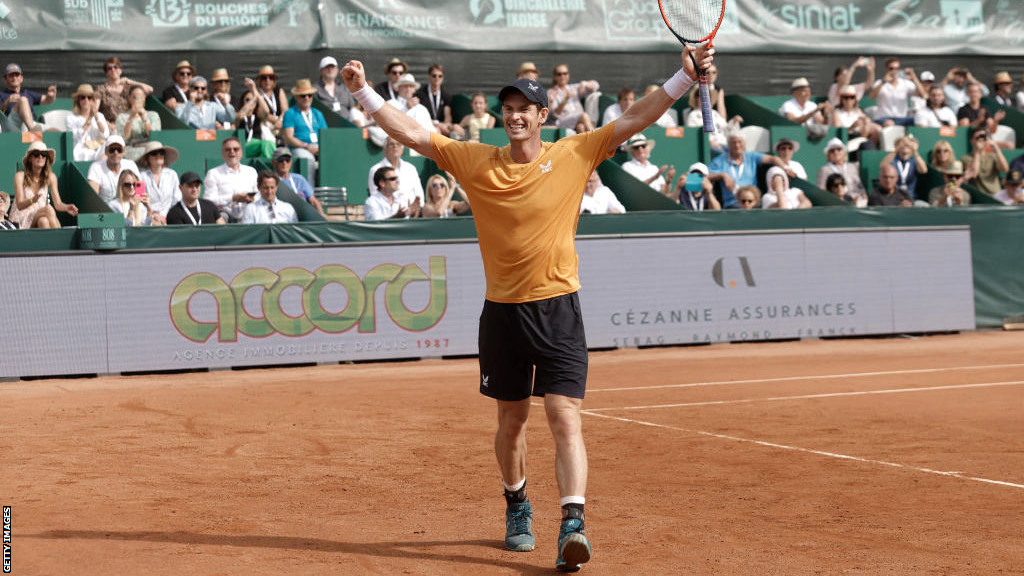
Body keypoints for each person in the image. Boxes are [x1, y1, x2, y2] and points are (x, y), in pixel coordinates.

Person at [341, 41, 713, 573]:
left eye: (525, 108)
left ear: (543, 116)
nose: (514, 116)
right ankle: (517, 505)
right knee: (512, 421)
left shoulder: (575, 152)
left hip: (559, 310)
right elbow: (414, 133)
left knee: (564, 418)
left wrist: (681, 79)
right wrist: (362, 92)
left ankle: (573, 525)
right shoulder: (475, 160)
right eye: (508, 108)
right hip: (503, 313)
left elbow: (635, 117)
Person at [708, 130, 793, 209]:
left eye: (740, 142)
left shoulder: (751, 156)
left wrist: (785, 168)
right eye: (734, 143)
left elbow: (773, 159)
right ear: (729, 145)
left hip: (753, 204)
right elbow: (706, 175)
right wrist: (722, 175)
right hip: (732, 205)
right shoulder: (720, 160)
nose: (737, 145)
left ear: (744, 144)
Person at [11, 141, 78, 228]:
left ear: (46, 158)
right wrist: (32, 200)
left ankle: (52, 240)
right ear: (30, 158)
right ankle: (60, 237)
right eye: (36, 154)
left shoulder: (51, 177)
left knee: (44, 221)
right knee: (48, 209)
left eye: (44, 154)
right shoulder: (20, 176)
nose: (40, 157)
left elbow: (58, 204)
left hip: (40, 215)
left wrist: (67, 207)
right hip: (20, 218)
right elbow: (20, 205)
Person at [282, 78, 328, 185]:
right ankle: (310, 194)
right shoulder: (290, 113)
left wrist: (321, 148)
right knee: (307, 158)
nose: (306, 98)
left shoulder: (318, 114)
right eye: (303, 96)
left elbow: (325, 135)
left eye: (309, 95)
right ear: (297, 97)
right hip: (299, 147)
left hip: (318, 147)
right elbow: (289, 138)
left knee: (332, 155)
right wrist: (307, 146)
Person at [203, 136, 257, 222]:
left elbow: (259, 195)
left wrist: (250, 198)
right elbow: (208, 201)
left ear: (241, 152)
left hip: (249, 214)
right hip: (225, 216)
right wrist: (232, 198)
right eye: (228, 149)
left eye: (236, 149)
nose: (232, 152)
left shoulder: (251, 171)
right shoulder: (213, 173)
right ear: (223, 153)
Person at [867, 57, 925, 126]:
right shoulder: (879, 83)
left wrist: (914, 77)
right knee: (889, 124)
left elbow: (923, 95)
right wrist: (883, 81)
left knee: (921, 121)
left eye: (897, 69)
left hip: (902, 119)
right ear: (886, 69)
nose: (894, 71)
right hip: (883, 118)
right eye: (891, 68)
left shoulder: (905, 83)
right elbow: (871, 97)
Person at [366, 136, 424, 203]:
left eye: (398, 144)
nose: (395, 146)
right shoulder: (375, 169)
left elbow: (419, 194)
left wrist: (418, 210)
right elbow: (375, 197)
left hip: (412, 211)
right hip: (387, 212)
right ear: (384, 150)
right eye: (391, 144)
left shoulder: (411, 168)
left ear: (402, 150)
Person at [95, 56, 153, 123]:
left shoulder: (128, 87)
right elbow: (95, 110)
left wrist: (130, 81)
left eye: (116, 67)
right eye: (109, 68)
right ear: (106, 73)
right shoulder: (101, 89)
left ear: (120, 70)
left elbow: (150, 89)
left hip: (129, 122)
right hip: (110, 125)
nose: (113, 70)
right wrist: (107, 123)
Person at [0, 63, 55, 131]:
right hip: (11, 127)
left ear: (21, 78)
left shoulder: (28, 93)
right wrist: (6, 102)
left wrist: (51, 96)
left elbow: (47, 100)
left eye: (17, 75)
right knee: (23, 100)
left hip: (29, 125)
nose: (14, 78)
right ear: (5, 79)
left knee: (55, 130)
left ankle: (33, 130)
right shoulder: (2, 95)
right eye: (11, 75)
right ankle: (32, 130)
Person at [271, 146, 324, 217]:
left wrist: (321, 215)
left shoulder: (299, 179)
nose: (284, 163)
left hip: (303, 215)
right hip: (282, 216)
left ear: (291, 162)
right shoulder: (271, 180)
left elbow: (313, 201)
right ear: (274, 162)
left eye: (287, 159)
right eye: (281, 160)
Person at [547, 63, 598, 132]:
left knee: (581, 127)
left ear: (568, 75)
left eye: (565, 73)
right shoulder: (552, 92)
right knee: (584, 115)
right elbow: (555, 115)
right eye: (559, 74)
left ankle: (590, 141)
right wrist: (565, 99)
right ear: (554, 77)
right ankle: (596, 138)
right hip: (563, 121)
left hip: (578, 120)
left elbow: (596, 85)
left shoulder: (573, 88)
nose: (562, 76)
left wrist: (584, 83)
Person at [88, 135, 140, 203]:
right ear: (106, 151)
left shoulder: (131, 165)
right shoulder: (96, 167)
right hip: (107, 210)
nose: (116, 153)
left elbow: (140, 191)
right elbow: (93, 197)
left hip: (129, 206)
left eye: (119, 150)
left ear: (124, 152)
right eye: (112, 150)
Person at [416, 64, 463, 138]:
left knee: (457, 128)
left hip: (442, 124)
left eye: (440, 76)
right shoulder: (421, 94)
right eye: (434, 76)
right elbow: (421, 117)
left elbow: (447, 115)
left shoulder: (445, 94)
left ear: (443, 77)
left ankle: (459, 146)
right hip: (427, 124)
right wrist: (438, 125)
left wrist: (445, 125)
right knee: (437, 130)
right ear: (429, 76)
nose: (437, 78)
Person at [115, 84, 161, 161]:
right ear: (129, 98)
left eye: (140, 97)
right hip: (131, 148)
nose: (137, 100)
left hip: (149, 148)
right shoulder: (122, 117)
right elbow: (124, 137)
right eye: (134, 97)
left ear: (144, 98)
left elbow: (154, 136)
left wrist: (144, 119)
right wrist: (131, 117)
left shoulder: (153, 115)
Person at [66, 84, 111, 162]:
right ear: (78, 100)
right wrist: (90, 118)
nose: (86, 100)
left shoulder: (99, 116)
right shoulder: (70, 118)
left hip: (97, 148)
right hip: (80, 150)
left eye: (89, 98)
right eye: (83, 97)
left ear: (92, 100)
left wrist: (96, 116)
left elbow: (105, 134)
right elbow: (76, 136)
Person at [138, 141, 180, 223]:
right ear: (147, 158)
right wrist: (153, 215)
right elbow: (139, 201)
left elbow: (177, 199)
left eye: (161, 153)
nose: (158, 155)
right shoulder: (140, 176)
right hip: (148, 219)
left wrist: (167, 217)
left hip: (170, 219)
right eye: (154, 153)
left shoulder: (172, 174)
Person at [620, 133, 673, 197]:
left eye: (643, 146)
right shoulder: (627, 166)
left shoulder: (654, 168)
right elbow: (637, 189)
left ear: (648, 149)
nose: (640, 149)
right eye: (636, 147)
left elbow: (663, 192)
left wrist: (668, 181)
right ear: (632, 151)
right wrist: (655, 177)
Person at [962, 127, 1009, 196]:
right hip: (980, 196)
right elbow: (974, 174)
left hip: (995, 195)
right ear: (972, 141)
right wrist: (977, 152)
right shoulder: (966, 158)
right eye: (978, 137)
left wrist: (996, 148)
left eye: (983, 137)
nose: (981, 139)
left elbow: (1005, 169)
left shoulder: (992, 156)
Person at [234, 77, 274, 158]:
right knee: (266, 144)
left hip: (257, 146)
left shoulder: (258, 116)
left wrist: (254, 90)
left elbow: (266, 111)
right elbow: (241, 114)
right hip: (242, 146)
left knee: (268, 144)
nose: (250, 102)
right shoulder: (238, 115)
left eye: (253, 101)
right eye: (247, 100)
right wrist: (253, 99)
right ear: (243, 101)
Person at [881, 135, 928, 201]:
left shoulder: (914, 161)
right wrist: (896, 149)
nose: (905, 145)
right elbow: (883, 166)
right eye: (902, 143)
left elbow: (923, 170)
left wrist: (915, 151)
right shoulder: (893, 160)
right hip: (893, 197)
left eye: (908, 144)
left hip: (911, 197)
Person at [255, 65, 288, 138]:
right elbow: (260, 113)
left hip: (280, 123)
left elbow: (285, 110)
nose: (268, 80)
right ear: (259, 80)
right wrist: (275, 120)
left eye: (271, 78)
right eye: (264, 78)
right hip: (264, 123)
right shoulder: (256, 93)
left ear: (274, 80)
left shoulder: (279, 91)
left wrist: (280, 120)